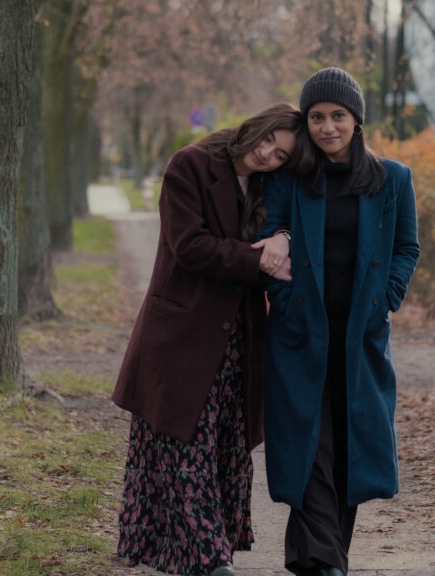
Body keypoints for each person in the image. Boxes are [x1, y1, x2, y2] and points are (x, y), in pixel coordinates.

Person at [112, 103, 303, 576]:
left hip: (238, 335)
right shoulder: (191, 164)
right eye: (268, 140)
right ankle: (209, 559)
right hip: (182, 333)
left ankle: (200, 551)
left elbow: (286, 227)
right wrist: (258, 260)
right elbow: (189, 245)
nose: (267, 155)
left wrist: (282, 236)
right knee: (183, 445)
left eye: (280, 155)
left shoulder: (269, 185)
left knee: (223, 444)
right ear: (257, 124)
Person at [259, 68, 420, 576]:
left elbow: (406, 247)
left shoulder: (393, 179)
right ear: (306, 123)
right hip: (300, 334)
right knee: (310, 443)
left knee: (348, 446)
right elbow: (264, 243)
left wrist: (386, 300)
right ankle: (327, 561)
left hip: (359, 337)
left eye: (338, 116)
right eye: (317, 117)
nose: (328, 126)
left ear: (356, 120)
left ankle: (317, 558)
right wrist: (284, 303)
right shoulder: (288, 180)